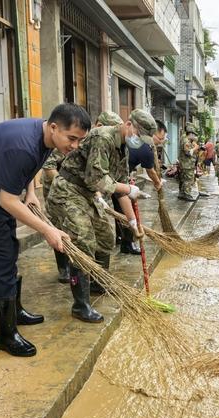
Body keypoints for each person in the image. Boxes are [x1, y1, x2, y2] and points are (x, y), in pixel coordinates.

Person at [0, 103, 89, 357]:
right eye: (72, 139)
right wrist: (48, 230)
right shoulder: (23, 145)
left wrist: (32, 192)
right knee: (1, 257)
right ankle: (7, 336)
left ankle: (16, 311)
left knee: (10, 247)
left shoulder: (47, 138)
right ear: (54, 127)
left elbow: (29, 168)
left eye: (80, 141)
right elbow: (8, 201)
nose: (75, 146)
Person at [47, 110, 154, 324]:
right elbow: (97, 179)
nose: (138, 139)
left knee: (106, 238)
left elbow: (122, 188)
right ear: (128, 124)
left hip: (89, 194)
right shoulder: (102, 137)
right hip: (68, 190)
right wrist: (127, 188)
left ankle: (96, 283)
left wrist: (132, 222)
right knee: (83, 241)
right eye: (138, 133)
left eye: (142, 138)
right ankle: (81, 305)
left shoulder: (123, 149)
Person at [41, 111, 123, 282]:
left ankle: (97, 281)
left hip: (85, 192)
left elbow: (96, 176)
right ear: (100, 125)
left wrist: (98, 195)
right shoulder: (72, 139)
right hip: (61, 188)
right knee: (68, 231)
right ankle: (66, 271)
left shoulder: (95, 143)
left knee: (104, 235)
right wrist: (65, 186)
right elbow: (49, 166)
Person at [128, 119, 168, 191]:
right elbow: (150, 171)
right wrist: (157, 183)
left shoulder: (139, 139)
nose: (161, 142)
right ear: (152, 134)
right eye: (160, 139)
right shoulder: (146, 148)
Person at [178, 126, 199, 201]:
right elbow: (188, 152)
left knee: (183, 179)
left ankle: (182, 193)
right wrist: (195, 148)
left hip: (185, 164)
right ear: (190, 134)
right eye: (194, 135)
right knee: (188, 179)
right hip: (187, 164)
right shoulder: (186, 141)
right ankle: (187, 194)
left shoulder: (185, 139)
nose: (194, 136)